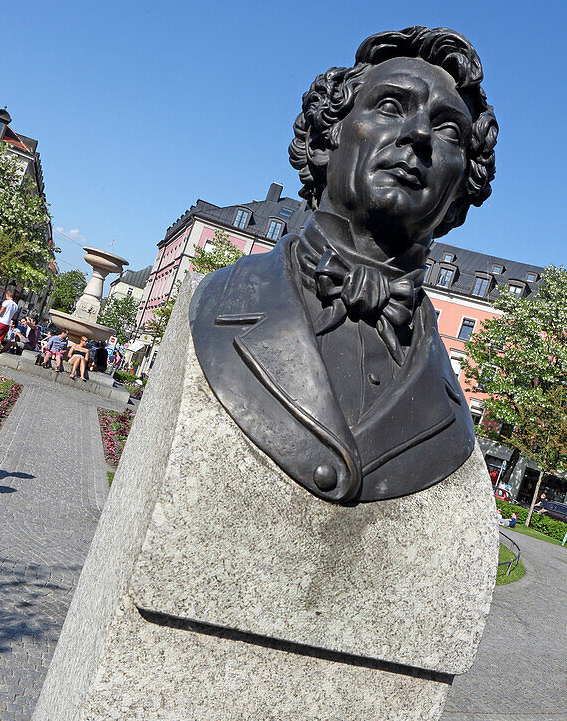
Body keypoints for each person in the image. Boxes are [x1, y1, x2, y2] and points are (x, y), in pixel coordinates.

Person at [188, 26, 498, 505]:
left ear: (461, 194)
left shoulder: (447, 397)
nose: (418, 135)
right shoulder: (220, 298)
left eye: (448, 130)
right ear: (323, 138)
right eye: (391, 106)